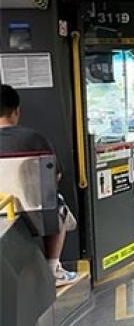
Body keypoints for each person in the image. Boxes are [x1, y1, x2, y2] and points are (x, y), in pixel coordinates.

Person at [0, 84, 78, 287]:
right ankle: (52, 268)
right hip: (33, 212)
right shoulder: (34, 138)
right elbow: (55, 175)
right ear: (17, 111)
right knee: (56, 204)